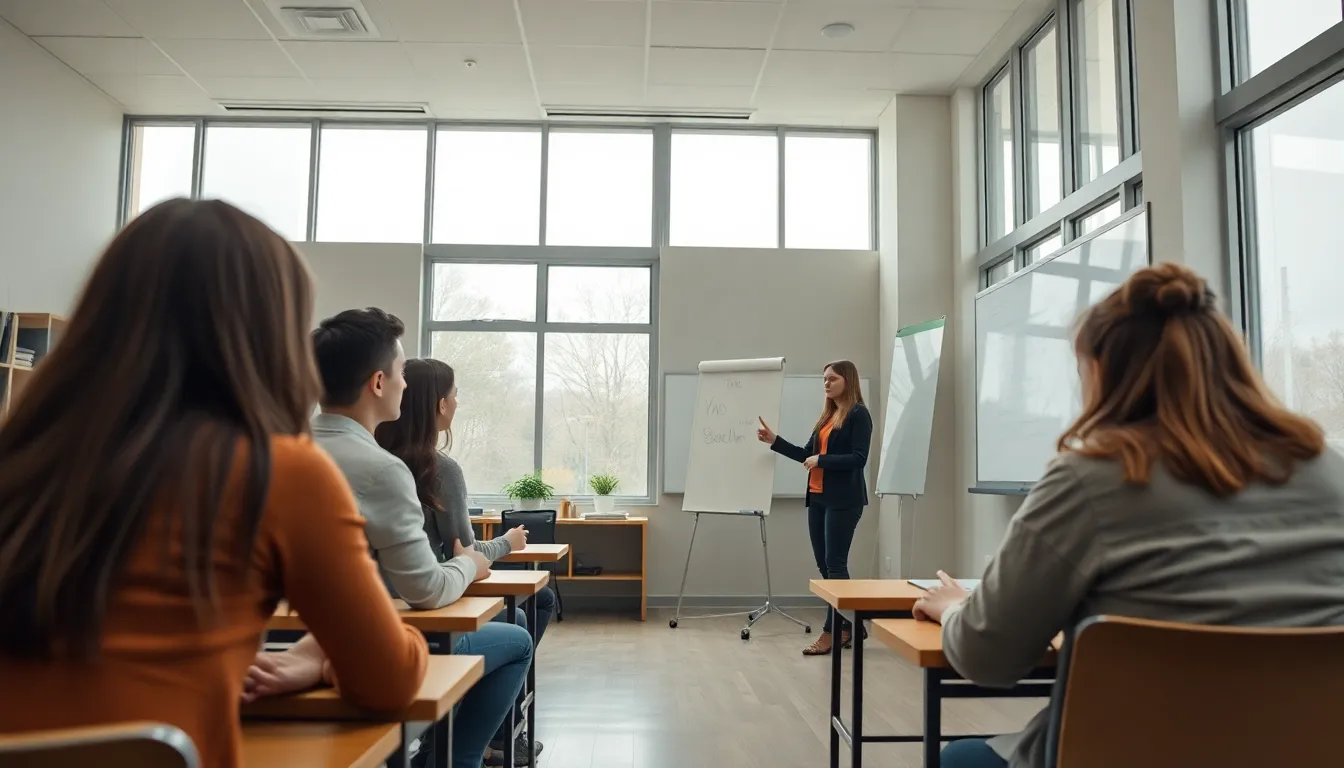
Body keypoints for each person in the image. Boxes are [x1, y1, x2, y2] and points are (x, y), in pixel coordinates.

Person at [0, 199, 428, 768]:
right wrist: (320, 652)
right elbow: (389, 680)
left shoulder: (22, 460)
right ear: (266, 336)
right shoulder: (280, 473)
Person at [913, 263, 1344, 768]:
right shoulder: (1326, 469)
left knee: (963, 759)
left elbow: (987, 658)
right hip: (1305, 752)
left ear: (1106, 374)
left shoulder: (1091, 478)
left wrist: (954, 609)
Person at [246, 308, 537, 768]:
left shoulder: (274, 451)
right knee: (518, 639)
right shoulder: (382, 470)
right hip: (374, 641)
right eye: (401, 372)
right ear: (378, 383)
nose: (406, 383)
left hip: (269, 649)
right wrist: (471, 564)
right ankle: (457, 761)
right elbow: (424, 590)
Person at [374, 357, 557, 644]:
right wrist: (508, 542)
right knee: (528, 616)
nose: (457, 403)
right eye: (454, 395)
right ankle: (466, 684)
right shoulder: (440, 470)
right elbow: (464, 550)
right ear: (441, 405)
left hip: (371, 606)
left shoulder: (372, 458)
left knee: (531, 606)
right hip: (421, 608)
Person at [757, 360, 873, 656]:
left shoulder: (859, 414)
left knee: (835, 566)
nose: (826, 383)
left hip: (844, 500)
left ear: (848, 380)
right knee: (825, 568)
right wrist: (775, 441)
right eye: (824, 379)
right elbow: (807, 454)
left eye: (832, 379)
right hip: (818, 498)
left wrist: (821, 461)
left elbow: (858, 458)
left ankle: (830, 633)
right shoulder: (827, 417)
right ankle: (851, 625)